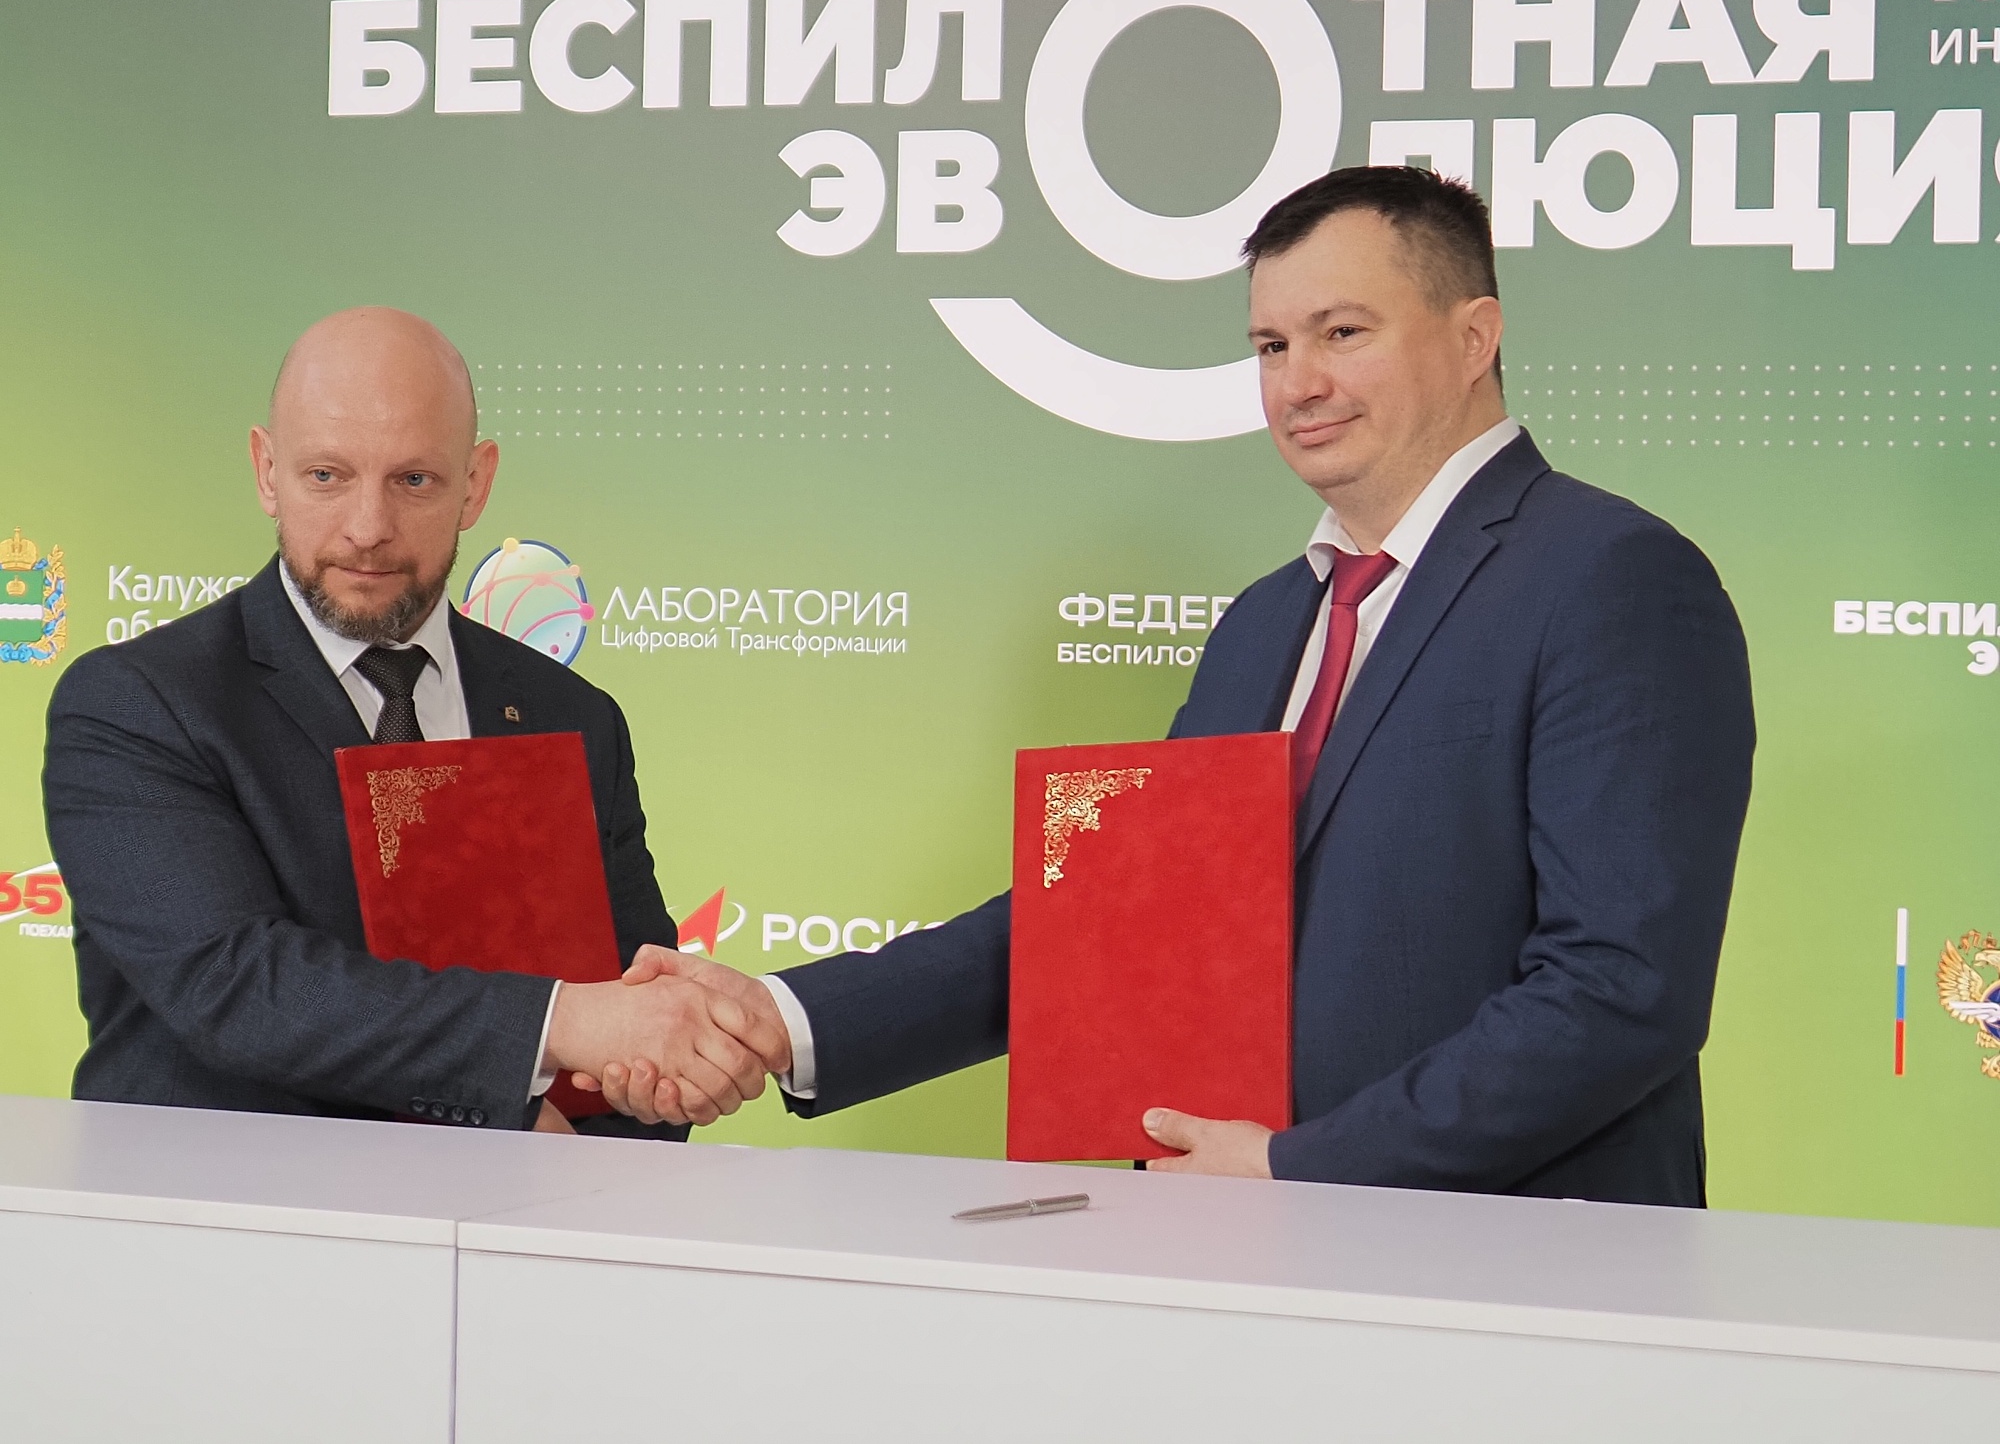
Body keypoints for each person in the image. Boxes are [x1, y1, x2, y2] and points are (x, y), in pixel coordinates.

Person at [594, 166, 1757, 1206]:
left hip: (1507, 1278)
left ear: (1472, 337)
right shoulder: (1264, 624)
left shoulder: (1610, 578)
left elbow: (1618, 990)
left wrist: (1299, 1167)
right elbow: (1108, 928)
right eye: (1270, 346)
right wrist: (779, 1018)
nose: (1298, 382)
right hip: (1235, 1249)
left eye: (1342, 332)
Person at [43, 307, 783, 1136]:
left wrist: (649, 1089)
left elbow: (632, 1007)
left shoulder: (575, 717)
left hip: (536, 1212)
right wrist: (562, 1026)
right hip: (225, 1212)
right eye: (328, 475)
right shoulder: (139, 703)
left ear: (476, 484)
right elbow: (238, 986)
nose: (368, 529)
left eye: (414, 481)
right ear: (267, 471)